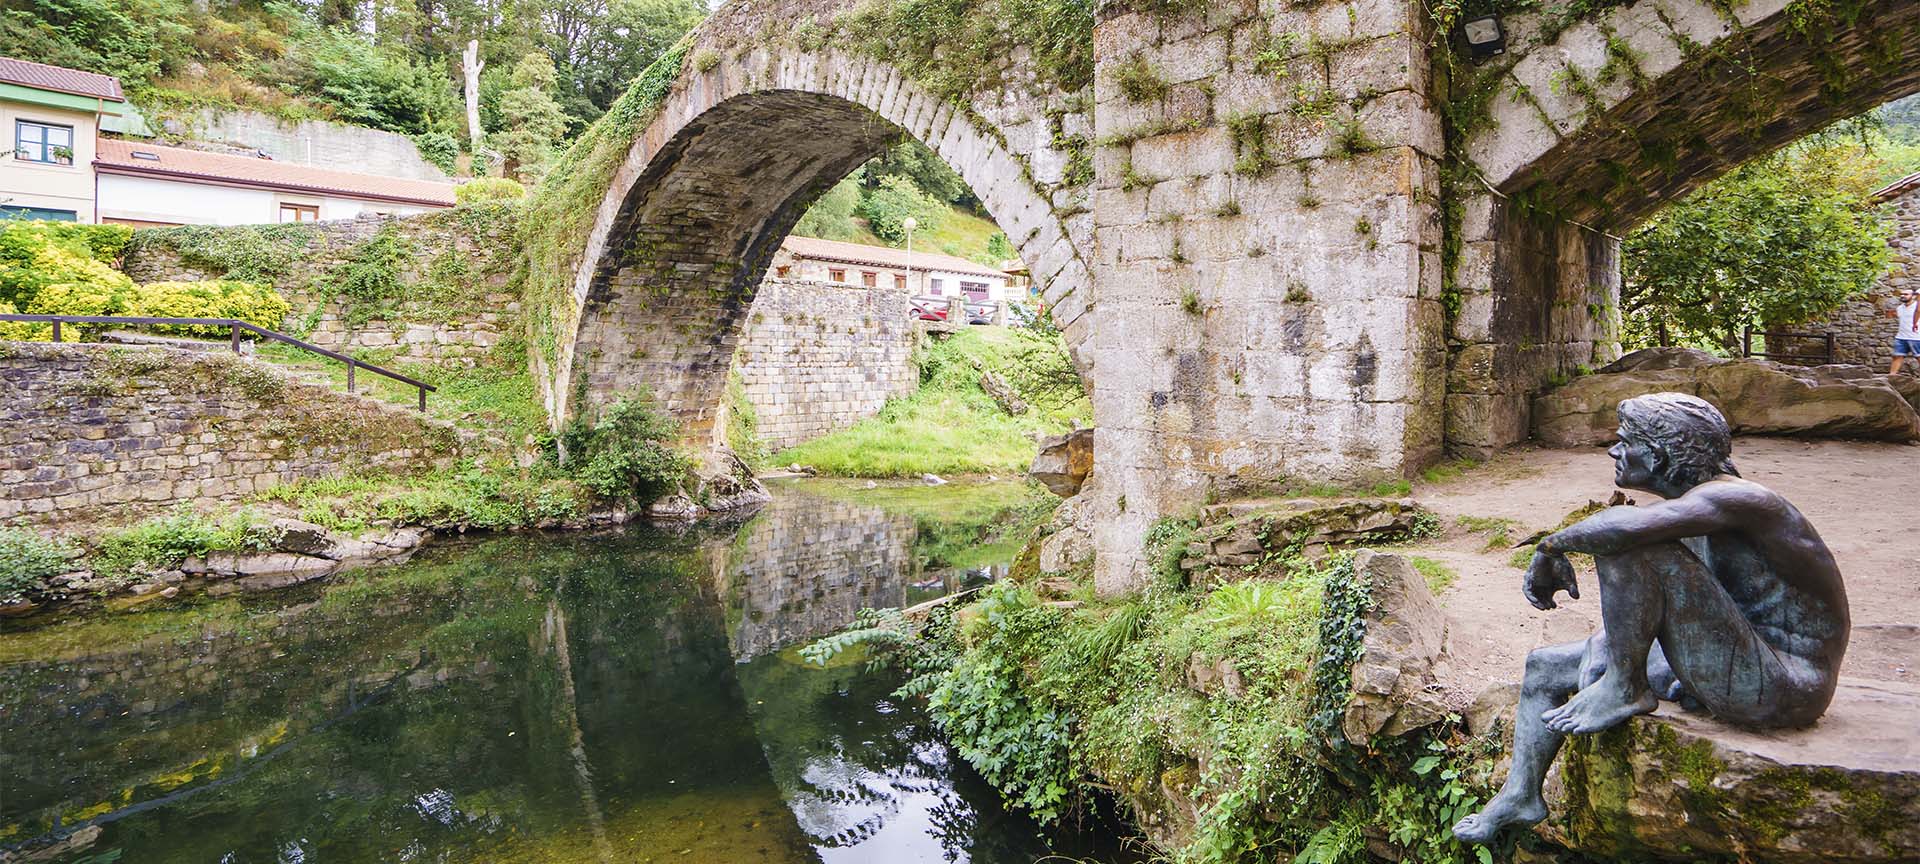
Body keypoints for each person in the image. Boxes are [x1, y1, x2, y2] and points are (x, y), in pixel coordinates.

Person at [1452, 393, 1850, 845]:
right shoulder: (1694, 509)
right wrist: (1607, 645)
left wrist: (1551, 546)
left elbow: (1621, 531)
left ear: (1657, 455)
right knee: (1545, 666)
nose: (1613, 451)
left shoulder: (1739, 499)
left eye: (1624, 442)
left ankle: (1625, 687)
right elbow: (1683, 605)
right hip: (1741, 658)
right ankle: (1521, 794)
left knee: (1624, 541)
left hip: (1784, 685)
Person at [1892, 288, 1920, 375]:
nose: (1902, 296)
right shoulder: (1899, 308)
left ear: (1913, 296)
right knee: (1897, 356)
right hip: (1901, 337)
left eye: (1906, 294)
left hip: (1916, 337)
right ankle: (1892, 376)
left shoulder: (1917, 306)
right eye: (1901, 294)